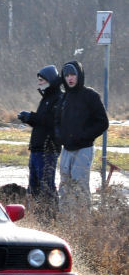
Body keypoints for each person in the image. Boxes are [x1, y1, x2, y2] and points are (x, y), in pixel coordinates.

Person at [56, 60, 109, 211]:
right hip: (66, 149)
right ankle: (65, 220)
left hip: (84, 149)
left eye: (73, 74)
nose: (70, 78)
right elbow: (56, 122)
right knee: (64, 187)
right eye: (67, 75)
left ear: (79, 75)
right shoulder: (63, 98)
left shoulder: (90, 96)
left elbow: (103, 122)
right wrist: (60, 137)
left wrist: (84, 136)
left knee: (80, 185)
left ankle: (83, 220)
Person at [18, 65, 62, 211]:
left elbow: (51, 121)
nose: (39, 83)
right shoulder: (46, 98)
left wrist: (32, 117)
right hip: (37, 149)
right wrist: (29, 119)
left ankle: (50, 215)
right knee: (34, 186)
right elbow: (42, 121)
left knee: (46, 186)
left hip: (48, 150)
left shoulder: (58, 98)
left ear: (50, 80)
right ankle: (37, 214)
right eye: (38, 80)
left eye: (42, 80)